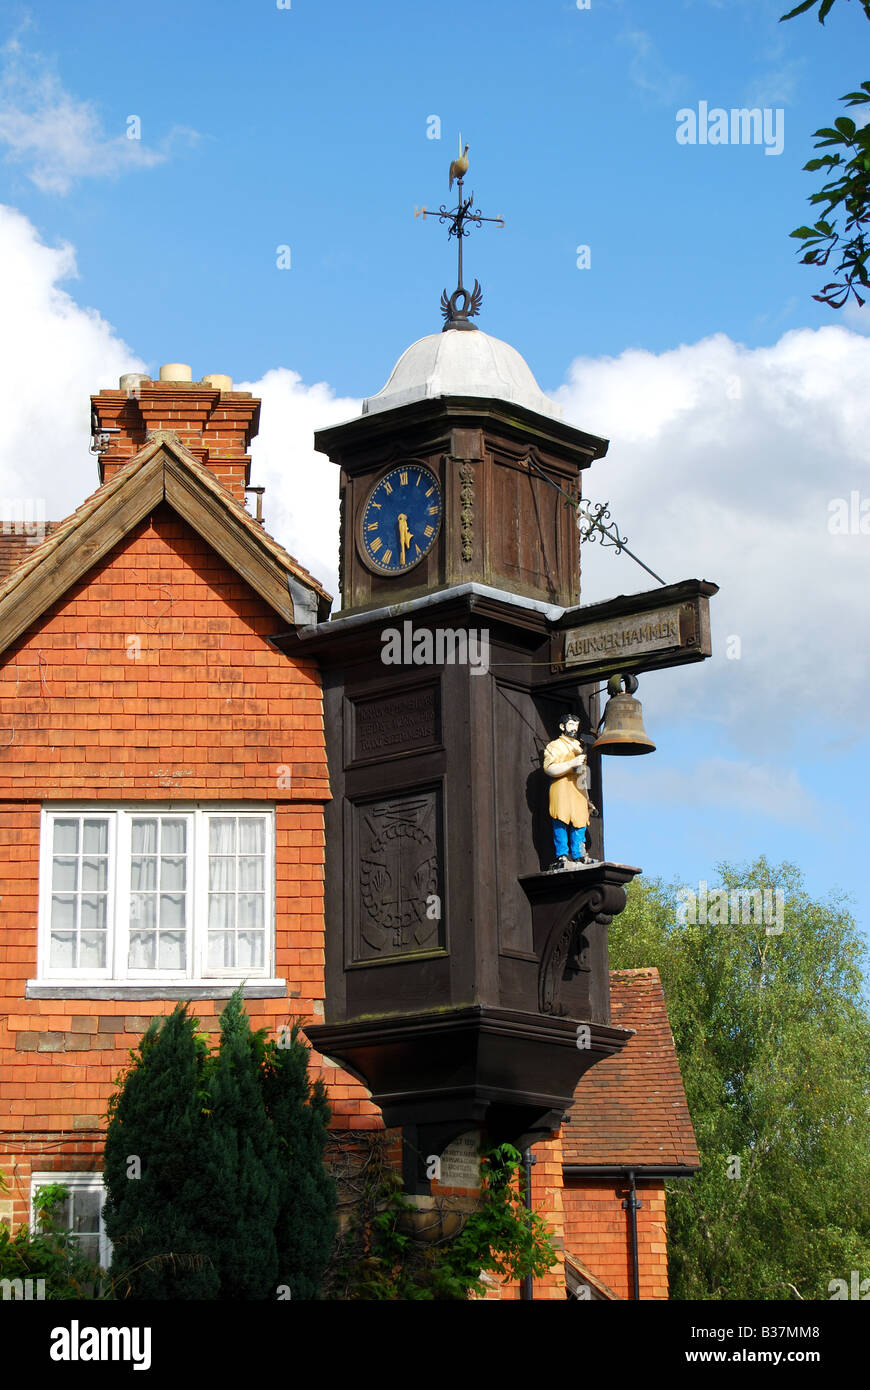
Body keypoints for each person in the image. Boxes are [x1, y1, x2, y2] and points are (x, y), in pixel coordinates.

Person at [542, 713, 596, 870]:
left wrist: (587, 797)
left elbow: (584, 774)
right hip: (562, 787)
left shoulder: (579, 747)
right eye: (571, 725)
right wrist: (571, 763)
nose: (574, 729)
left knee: (580, 821)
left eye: (576, 726)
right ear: (562, 726)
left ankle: (579, 854)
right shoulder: (555, 746)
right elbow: (549, 768)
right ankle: (562, 855)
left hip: (578, 789)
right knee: (561, 819)